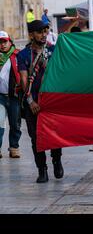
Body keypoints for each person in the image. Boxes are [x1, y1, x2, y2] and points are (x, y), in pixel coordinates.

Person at [17, 20, 64, 183]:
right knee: (36, 138)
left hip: (51, 102)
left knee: (54, 134)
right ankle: (42, 169)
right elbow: (23, 79)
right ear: (31, 35)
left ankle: (57, 161)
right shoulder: (23, 55)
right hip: (33, 103)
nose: (44, 35)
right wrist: (30, 101)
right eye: (40, 32)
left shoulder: (53, 50)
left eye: (45, 32)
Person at [0, 31, 22, 159]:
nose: (2, 45)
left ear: (10, 42)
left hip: (14, 96)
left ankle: (14, 147)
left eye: (4, 42)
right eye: (0, 43)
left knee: (15, 124)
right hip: (0, 97)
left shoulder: (17, 55)